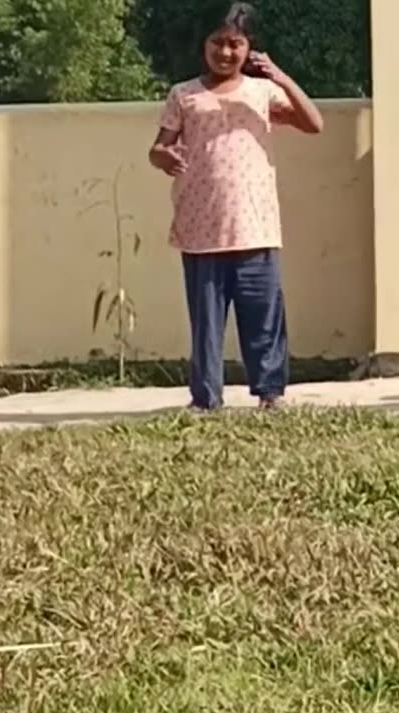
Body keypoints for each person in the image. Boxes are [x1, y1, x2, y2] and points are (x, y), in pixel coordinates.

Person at [147, 2, 323, 411]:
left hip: (255, 227)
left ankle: (270, 392)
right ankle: (206, 398)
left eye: (235, 44)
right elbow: (158, 149)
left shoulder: (262, 94)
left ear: (249, 48)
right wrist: (164, 157)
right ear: (203, 45)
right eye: (217, 43)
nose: (225, 53)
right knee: (206, 324)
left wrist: (279, 75)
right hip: (201, 229)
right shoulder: (184, 95)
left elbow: (313, 123)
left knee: (263, 318)